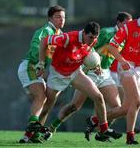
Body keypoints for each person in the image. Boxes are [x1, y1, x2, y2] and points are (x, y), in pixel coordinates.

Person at [42, 12, 132, 142]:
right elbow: (88, 47)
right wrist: (93, 62)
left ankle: (100, 130)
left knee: (116, 106)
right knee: (74, 106)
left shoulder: (124, 38)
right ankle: (52, 128)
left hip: (104, 72)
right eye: (127, 23)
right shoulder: (106, 33)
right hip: (89, 71)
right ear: (119, 23)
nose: (130, 26)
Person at [83, 2, 140, 145]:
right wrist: (121, 60)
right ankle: (130, 137)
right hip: (126, 66)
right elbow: (112, 46)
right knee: (137, 101)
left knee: (126, 108)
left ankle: (95, 120)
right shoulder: (129, 26)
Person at [17, 5, 65, 143]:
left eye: (63, 17)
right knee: (41, 97)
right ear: (50, 18)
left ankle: (29, 135)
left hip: (38, 70)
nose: (61, 20)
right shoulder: (45, 30)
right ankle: (32, 126)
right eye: (58, 17)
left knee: (45, 100)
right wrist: (41, 62)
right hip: (29, 66)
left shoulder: (60, 35)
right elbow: (36, 46)